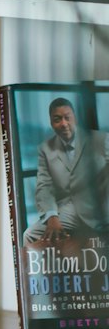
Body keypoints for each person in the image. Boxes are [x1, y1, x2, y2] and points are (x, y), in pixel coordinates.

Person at [23, 95, 109, 248]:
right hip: (70, 211)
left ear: (74, 118)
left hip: (100, 207)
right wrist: (52, 217)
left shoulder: (101, 140)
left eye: (67, 117)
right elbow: (44, 187)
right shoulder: (45, 149)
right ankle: (40, 272)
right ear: (51, 123)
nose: (64, 124)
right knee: (29, 234)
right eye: (57, 119)